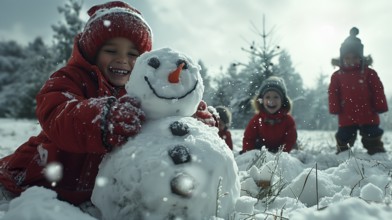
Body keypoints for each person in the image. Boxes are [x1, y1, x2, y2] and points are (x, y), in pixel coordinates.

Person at [0, 1, 216, 207]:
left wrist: (193, 118)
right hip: (43, 180)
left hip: (97, 191)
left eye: (133, 54)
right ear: (92, 53)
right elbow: (58, 115)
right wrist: (104, 119)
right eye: (111, 51)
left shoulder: (144, 91)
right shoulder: (70, 78)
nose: (123, 60)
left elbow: (166, 113)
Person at [328, 27, 388, 155]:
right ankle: (343, 152)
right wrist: (334, 107)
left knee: (372, 136)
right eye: (347, 58)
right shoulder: (337, 76)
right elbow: (333, 93)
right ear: (342, 59)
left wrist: (380, 105)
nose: (351, 61)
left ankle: (376, 151)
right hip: (346, 114)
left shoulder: (369, 73)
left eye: (355, 57)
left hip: (368, 113)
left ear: (361, 57)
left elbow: (378, 90)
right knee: (344, 138)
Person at [241, 76, 297, 154]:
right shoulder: (257, 120)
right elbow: (249, 138)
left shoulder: (288, 120)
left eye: (276, 97)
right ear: (261, 100)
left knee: (295, 148)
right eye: (267, 97)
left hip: (281, 151)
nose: (271, 101)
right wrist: (248, 153)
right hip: (262, 151)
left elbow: (290, 140)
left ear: (283, 101)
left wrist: (281, 154)